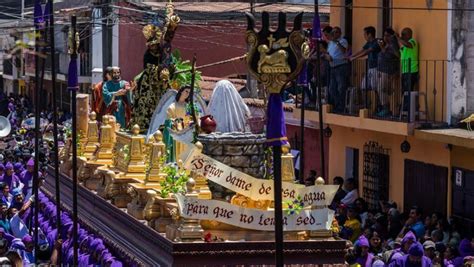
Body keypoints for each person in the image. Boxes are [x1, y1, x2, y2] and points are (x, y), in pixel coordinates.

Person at [376, 27, 400, 117]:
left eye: (387, 35)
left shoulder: (393, 45)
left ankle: (386, 108)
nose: (385, 37)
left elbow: (398, 55)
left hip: (388, 72)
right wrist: (382, 47)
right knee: (382, 89)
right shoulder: (386, 45)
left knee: (382, 89)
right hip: (382, 71)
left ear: (391, 36)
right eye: (384, 35)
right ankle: (384, 107)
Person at [326, 26, 350, 113]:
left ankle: (341, 107)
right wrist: (327, 56)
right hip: (332, 67)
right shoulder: (330, 43)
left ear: (339, 33)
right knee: (332, 88)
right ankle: (337, 105)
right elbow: (328, 53)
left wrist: (337, 42)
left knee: (341, 87)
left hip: (341, 67)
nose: (333, 34)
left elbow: (344, 51)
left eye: (335, 32)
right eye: (332, 32)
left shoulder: (343, 41)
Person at [350, 26, 381, 91]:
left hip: (376, 67)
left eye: (365, 34)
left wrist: (355, 58)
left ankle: (377, 100)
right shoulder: (368, 43)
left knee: (374, 87)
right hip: (370, 67)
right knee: (364, 86)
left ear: (369, 34)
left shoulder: (377, 42)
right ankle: (367, 100)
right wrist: (351, 56)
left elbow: (367, 52)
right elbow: (362, 50)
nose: (364, 36)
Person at [396, 28, 419, 114]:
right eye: (401, 34)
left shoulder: (413, 42)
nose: (402, 36)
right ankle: (405, 110)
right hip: (405, 71)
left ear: (409, 34)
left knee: (408, 91)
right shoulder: (404, 46)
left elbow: (408, 45)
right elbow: (400, 53)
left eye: (404, 34)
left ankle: (408, 111)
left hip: (411, 71)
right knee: (404, 91)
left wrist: (398, 38)